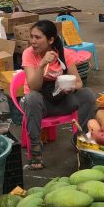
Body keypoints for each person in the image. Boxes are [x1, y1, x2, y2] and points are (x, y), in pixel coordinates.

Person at [21, 20, 95, 169]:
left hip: (61, 100)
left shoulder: (64, 53)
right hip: (39, 105)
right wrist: (42, 64)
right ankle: (36, 152)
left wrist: (70, 88)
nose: (33, 41)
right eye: (32, 37)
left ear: (50, 40)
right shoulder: (28, 54)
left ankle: (79, 139)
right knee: (32, 98)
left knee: (88, 95)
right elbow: (34, 87)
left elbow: (79, 83)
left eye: (38, 38)